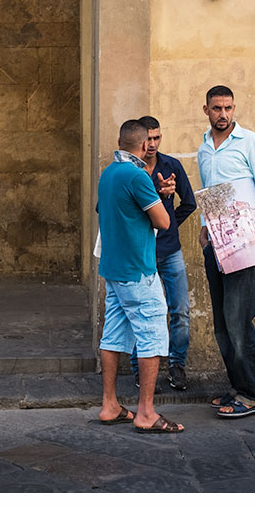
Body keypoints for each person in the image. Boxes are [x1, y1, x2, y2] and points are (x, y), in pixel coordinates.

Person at [197, 86, 255, 418]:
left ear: (234, 109)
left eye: (229, 108)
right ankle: (238, 386)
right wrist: (205, 229)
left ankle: (253, 394)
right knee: (222, 323)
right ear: (205, 109)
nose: (223, 114)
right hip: (217, 244)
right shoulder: (204, 148)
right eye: (217, 108)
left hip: (247, 243)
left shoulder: (250, 143)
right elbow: (211, 192)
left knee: (238, 319)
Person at [96, 120, 184, 433]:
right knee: (152, 333)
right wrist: (160, 195)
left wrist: (153, 191)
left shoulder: (108, 174)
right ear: (145, 144)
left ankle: (109, 405)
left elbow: (120, 210)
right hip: (138, 270)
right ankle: (146, 412)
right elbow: (163, 222)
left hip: (113, 269)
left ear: (120, 141)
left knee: (113, 334)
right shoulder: (137, 175)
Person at [129, 115, 197, 391]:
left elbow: (189, 203)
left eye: (158, 138)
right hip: (140, 254)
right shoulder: (129, 171)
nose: (153, 144)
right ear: (141, 141)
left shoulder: (172, 166)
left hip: (170, 251)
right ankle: (139, 370)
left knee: (180, 309)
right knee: (143, 313)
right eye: (149, 139)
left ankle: (177, 365)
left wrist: (166, 225)